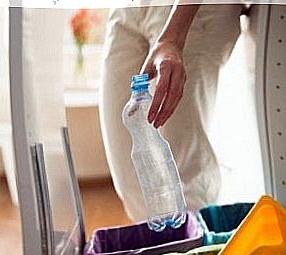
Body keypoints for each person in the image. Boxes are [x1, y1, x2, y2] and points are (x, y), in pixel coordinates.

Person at [99, 1, 248, 222]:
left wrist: (172, 39)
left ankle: (198, 250)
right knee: (128, 171)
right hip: (128, 9)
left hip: (192, 12)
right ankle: (164, 251)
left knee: (183, 169)